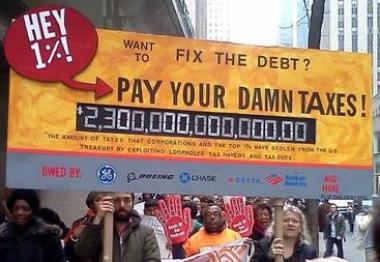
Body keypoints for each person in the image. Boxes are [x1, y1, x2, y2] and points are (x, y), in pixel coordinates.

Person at [74, 192, 160, 261]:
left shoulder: (146, 233)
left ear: (133, 203)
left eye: (126, 200)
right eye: (117, 200)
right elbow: (82, 253)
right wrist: (98, 218)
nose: (122, 205)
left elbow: (153, 259)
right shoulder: (97, 230)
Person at [0, 189, 65, 261]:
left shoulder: (48, 235)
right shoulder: (4, 236)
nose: (20, 213)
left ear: (33, 211)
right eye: (16, 209)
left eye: (25, 209)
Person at [253, 206, 317, 262]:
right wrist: (268, 257)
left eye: (295, 221)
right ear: (277, 224)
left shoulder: (308, 252)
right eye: (286, 220)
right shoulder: (263, 245)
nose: (290, 224)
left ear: (300, 227)